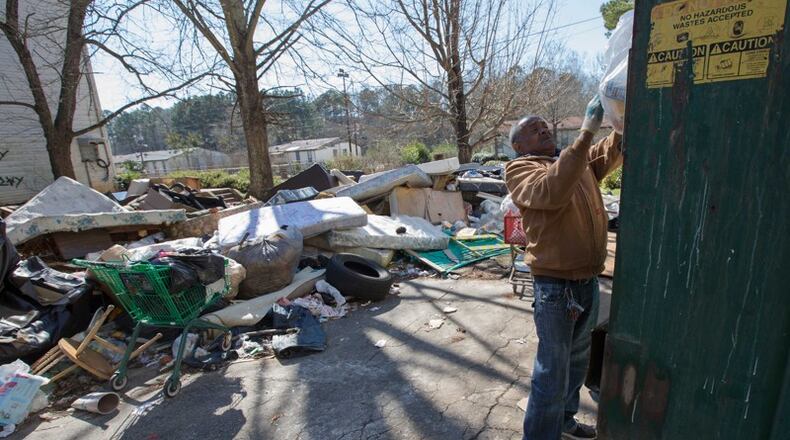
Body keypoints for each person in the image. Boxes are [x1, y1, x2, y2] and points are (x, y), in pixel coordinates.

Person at [504, 96, 623, 440]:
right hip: (556, 288)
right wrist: (585, 132)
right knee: (551, 373)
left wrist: (618, 126)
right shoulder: (522, 170)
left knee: (575, 363)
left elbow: (604, 154)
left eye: (544, 125)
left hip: (587, 281)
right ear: (518, 145)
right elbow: (551, 191)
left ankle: (565, 423)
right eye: (532, 128)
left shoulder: (573, 162)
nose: (542, 128)